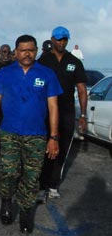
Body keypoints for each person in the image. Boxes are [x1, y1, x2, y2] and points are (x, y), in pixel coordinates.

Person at [0, 34, 62, 234]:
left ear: (36, 51)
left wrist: (53, 137)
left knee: (31, 176)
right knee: (8, 172)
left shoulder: (47, 74)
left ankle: (26, 211)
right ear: (16, 52)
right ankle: (6, 200)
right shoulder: (4, 73)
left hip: (37, 134)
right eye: (23, 50)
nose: (27, 53)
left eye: (31, 50)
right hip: (9, 132)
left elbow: (53, 106)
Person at [37, 26, 87, 201]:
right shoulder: (43, 61)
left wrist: (83, 116)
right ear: (52, 40)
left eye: (65, 39)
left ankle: (53, 185)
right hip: (44, 112)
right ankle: (40, 185)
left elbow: (81, 90)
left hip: (66, 112)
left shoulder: (75, 62)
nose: (62, 42)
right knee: (43, 148)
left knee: (62, 149)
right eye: (58, 39)